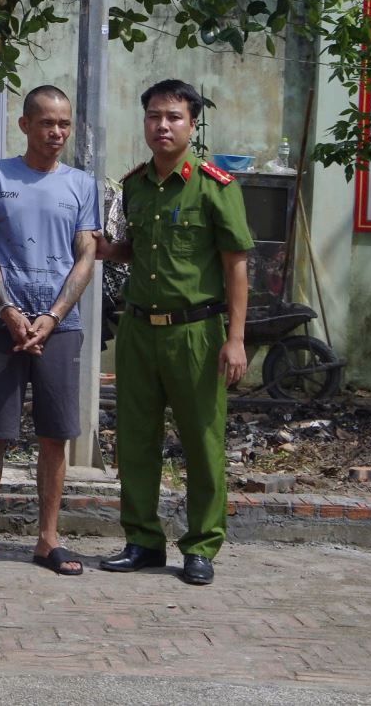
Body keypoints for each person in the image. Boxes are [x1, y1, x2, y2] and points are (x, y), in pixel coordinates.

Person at [97, 79, 252, 586]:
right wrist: (101, 247)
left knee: (202, 442)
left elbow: (235, 268)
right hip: (140, 331)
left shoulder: (215, 186)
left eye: (174, 117)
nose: (162, 126)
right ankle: (142, 540)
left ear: (191, 124)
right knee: (136, 441)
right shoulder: (135, 185)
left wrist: (235, 338)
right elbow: (133, 251)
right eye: (154, 117)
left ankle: (202, 545)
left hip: (197, 335)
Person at [0, 85, 99, 577]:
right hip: (3, 326)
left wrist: (53, 316)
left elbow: (86, 257)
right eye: (46, 123)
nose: (56, 132)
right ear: (25, 125)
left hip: (60, 327)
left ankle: (47, 538)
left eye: (63, 124)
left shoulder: (82, 184)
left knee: (55, 435)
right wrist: (9, 309)